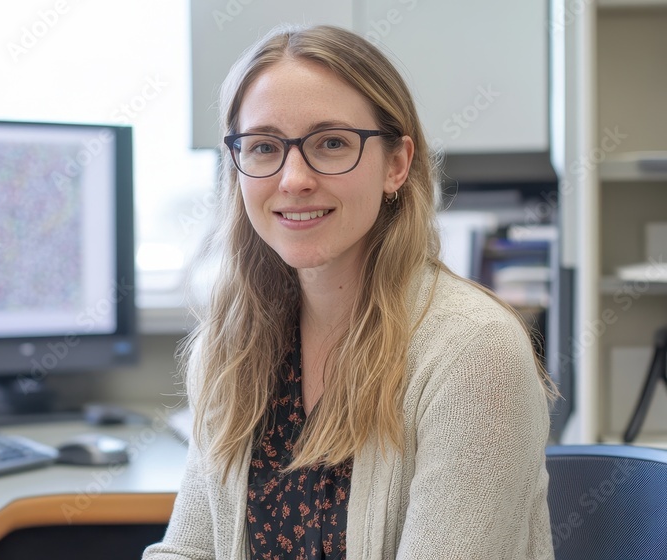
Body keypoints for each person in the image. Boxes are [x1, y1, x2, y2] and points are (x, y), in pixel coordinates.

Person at [143, 24, 556, 560]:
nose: (293, 178)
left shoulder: (475, 354)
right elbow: (189, 550)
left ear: (396, 165)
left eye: (332, 143)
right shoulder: (232, 347)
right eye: (264, 147)